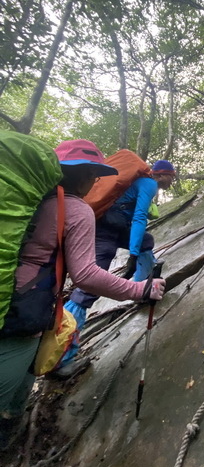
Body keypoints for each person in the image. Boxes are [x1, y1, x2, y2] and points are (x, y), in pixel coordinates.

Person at [0, 139, 166, 448]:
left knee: (22, 384)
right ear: (87, 175)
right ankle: (61, 361)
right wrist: (140, 289)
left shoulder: (32, 199)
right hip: (22, 309)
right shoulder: (75, 208)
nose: (97, 182)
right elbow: (86, 275)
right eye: (94, 175)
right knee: (10, 388)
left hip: (11, 292)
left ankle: (14, 431)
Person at [58, 158, 176, 375]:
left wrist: (137, 246)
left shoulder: (142, 183)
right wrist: (132, 252)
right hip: (105, 232)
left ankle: (143, 286)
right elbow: (140, 217)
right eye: (172, 176)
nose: (173, 180)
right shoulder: (149, 184)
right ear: (162, 174)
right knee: (86, 292)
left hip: (113, 227)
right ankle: (62, 357)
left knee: (147, 242)